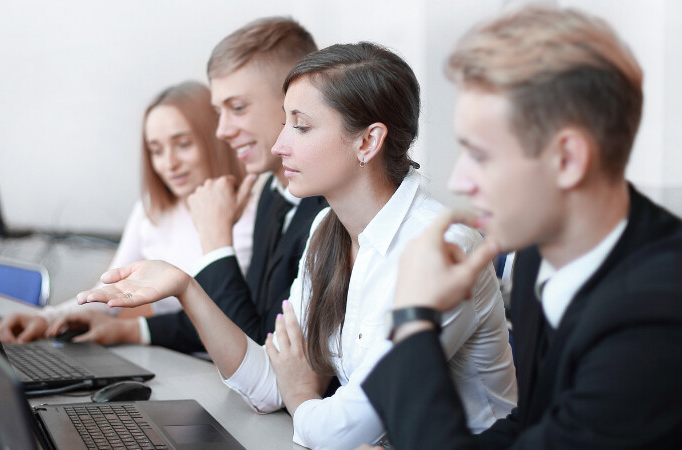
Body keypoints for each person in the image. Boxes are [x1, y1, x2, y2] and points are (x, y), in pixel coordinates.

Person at [77, 42, 516, 449]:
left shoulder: (440, 247)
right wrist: (185, 288)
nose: (278, 144)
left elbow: (343, 430)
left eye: (301, 126)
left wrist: (302, 395)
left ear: (368, 141)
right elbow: (270, 384)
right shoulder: (328, 227)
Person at [361, 5, 682, 449]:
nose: (458, 181)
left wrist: (414, 318)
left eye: (481, 155)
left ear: (567, 160)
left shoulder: (654, 320)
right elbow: (535, 423)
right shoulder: (537, 255)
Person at [47, 17, 328, 353]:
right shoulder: (272, 194)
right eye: (219, 112)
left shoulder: (324, 208)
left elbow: (256, 346)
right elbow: (245, 320)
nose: (222, 131)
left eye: (237, 108)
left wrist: (214, 239)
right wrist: (129, 329)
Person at [0, 81, 255, 344]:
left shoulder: (256, 210)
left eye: (184, 144)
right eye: (156, 150)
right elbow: (110, 293)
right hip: (170, 357)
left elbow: (238, 320)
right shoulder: (151, 210)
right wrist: (46, 318)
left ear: (216, 138)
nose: (169, 164)